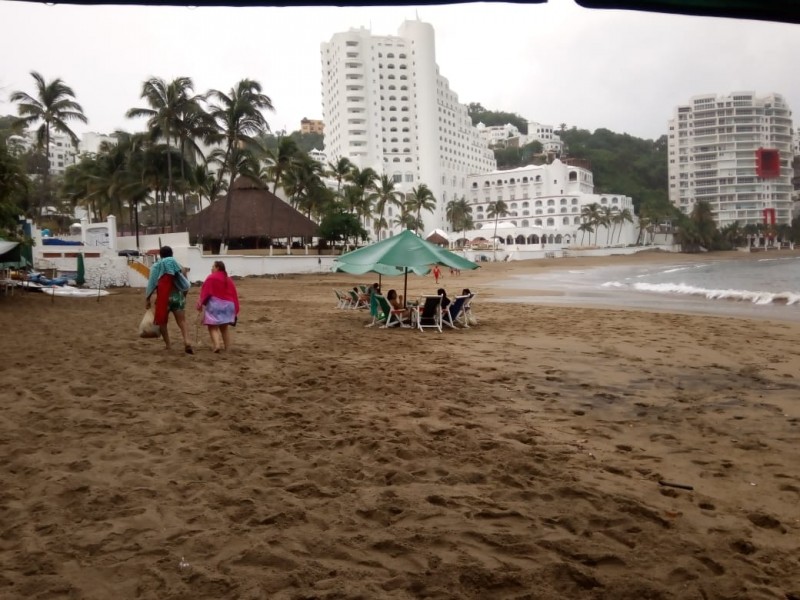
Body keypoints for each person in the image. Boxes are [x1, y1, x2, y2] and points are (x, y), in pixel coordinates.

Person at [145, 246, 193, 353]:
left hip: (163, 298)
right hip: (177, 296)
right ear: (172, 254)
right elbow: (185, 285)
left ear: (160, 255)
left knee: (162, 322)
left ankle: (168, 345)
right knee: (182, 321)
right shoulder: (180, 267)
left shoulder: (156, 267)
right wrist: (183, 297)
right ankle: (187, 341)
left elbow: (152, 284)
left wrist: (147, 299)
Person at [197, 261, 240, 353]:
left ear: (217, 268)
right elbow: (234, 294)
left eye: (213, 266)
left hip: (216, 305)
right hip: (229, 305)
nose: (211, 268)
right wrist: (236, 308)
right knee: (224, 327)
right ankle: (227, 348)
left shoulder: (211, 278)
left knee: (212, 326)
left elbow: (205, 293)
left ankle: (217, 345)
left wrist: (200, 304)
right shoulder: (228, 279)